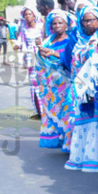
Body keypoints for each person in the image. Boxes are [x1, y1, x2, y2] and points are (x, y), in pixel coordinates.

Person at [65, 1, 98, 172]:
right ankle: (80, 157)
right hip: (80, 85)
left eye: (92, 20)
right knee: (82, 119)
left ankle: (94, 159)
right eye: (85, 21)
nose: (88, 24)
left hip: (97, 87)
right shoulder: (79, 41)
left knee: (96, 119)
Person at [35, 10, 73, 147]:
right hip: (53, 86)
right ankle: (61, 141)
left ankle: (70, 142)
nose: (57, 26)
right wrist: (41, 50)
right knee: (56, 112)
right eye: (54, 23)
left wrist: (55, 54)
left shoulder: (71, 41)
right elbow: (42, 62)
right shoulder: (48, 41)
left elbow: (71, 60)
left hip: (67, 83)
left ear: (66, 25)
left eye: (60, 23)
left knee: (68, 112)